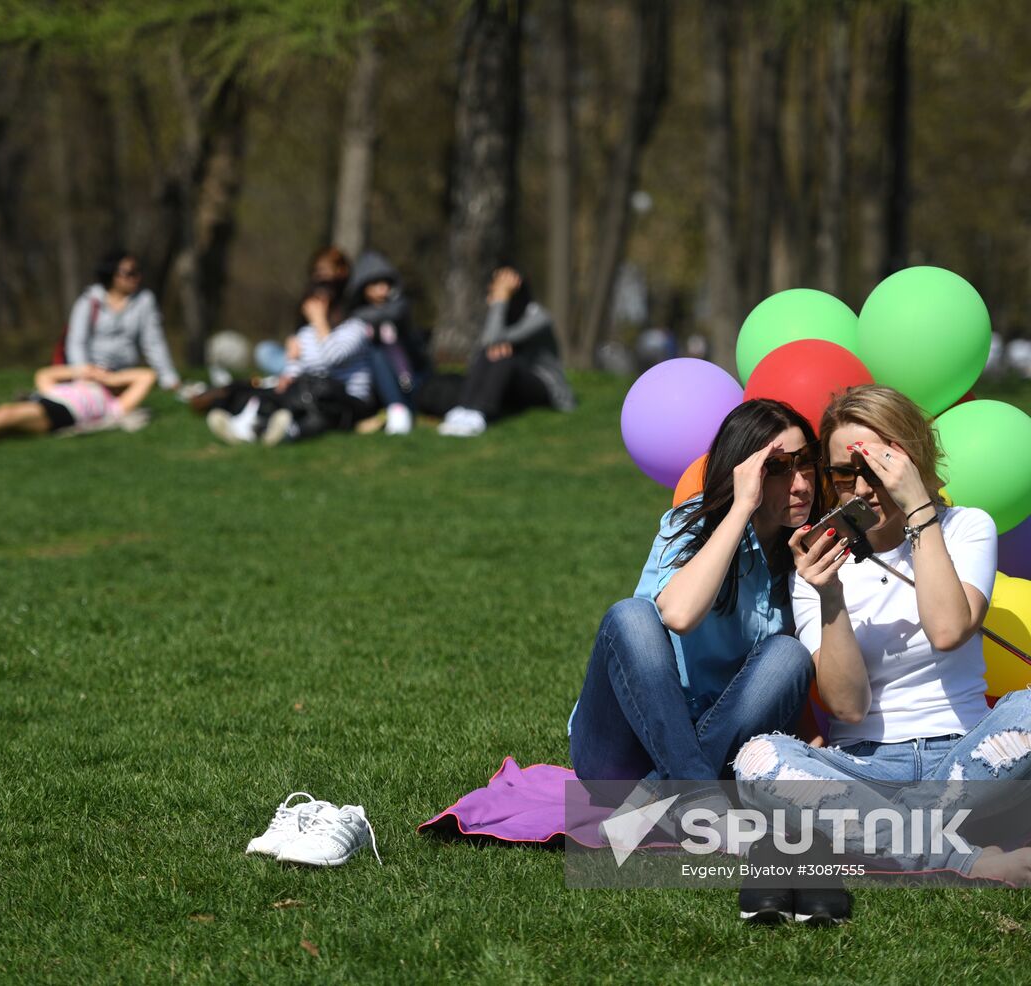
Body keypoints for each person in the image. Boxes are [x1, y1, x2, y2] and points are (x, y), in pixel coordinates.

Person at [732, 385, 1031, 921]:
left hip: (963, 760)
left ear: (911, 459)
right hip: (865, 763)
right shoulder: (819, 562)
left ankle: (864, 832)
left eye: (879, 465)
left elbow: (948, 630)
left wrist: (918, 510)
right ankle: (957, 856)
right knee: (759, 759)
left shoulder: (965, 528)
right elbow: (846, 707)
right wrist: (829, 596)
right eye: (845, 472)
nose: (863, 486)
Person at [569, 400, 818, 862]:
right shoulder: (689, 526)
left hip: (717, 746)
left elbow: (783, 680)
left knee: (790, 654)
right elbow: (678, 615)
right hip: (619, 750)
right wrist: (742, 507)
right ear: (745, 471)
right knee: (631, 616)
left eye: (807, 462)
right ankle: (699, 800)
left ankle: (663, 801)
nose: (801, 483)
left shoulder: (806, 555)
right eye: (779, 468)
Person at [206, 282, 375, 445]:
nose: (320, 311)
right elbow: (296, 368)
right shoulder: (306, 333)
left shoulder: (355, 328)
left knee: (320, 400)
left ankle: (288, 433)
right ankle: (242, 428)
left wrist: (320, 322)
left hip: (347, 399)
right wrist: (288, 375)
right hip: (310, 393)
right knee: (266, 392)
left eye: (324, 305)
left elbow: (333, 356)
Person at [436, 267, 575, 437]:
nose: (491, 297)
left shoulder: (539, 317)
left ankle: (479, 413)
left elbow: (492, 339)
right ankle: (464, 409)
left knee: (502, 356)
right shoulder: (503, 316)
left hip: (542, 383)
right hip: (510, 379)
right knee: (490, 353)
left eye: (495, 291)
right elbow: (485, 347)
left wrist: (501, 300)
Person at [0, 365, 156, 449]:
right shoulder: (74, 384)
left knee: (7, 414)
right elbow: (44, 375)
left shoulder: (114, 403)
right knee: (5, 420)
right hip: (45, 401)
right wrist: (81, 371)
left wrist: (111, 380)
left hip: (64, 412)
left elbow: (147, 376)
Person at [65, 249, 180, 391]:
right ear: (111, 274)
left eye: (137, 272)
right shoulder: (89, 301)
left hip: (125, 375)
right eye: (129, 273)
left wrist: (168, 377)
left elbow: (153, 342)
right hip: (92, 372)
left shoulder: (144, 300)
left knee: (146, 377)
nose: (136, 278)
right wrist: (83, 374)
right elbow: (76, 342)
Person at [346, 250, 431, 436]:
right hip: (378, 386)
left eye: (386, 283)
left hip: (413, 374)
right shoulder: (356, 320)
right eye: (375, 284)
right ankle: (396, 409)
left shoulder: (400, 307)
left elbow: (394, 314)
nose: (383, 289)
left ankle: (401, 409)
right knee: (375, 352)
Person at [256, 246, 352, 377]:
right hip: (303, 353)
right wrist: (293, 340)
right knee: (265, 350)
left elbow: (333, 356)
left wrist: (319, 319)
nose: (321, 274)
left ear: (341, 271)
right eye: (318, 270)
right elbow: (299, 328)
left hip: (324, 361)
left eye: (326, 269)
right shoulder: (310, 293)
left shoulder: (349, 309)